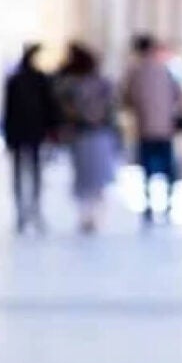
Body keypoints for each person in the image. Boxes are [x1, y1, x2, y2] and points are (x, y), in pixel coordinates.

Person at [122, 34, 182, 224]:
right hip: (165, 128)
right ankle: (167, 204)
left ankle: (150, 205)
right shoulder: (165, 69)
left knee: (148, 168)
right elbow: (179, 96)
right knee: (168, 168)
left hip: (146, 128)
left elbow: (127, 98)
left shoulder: (135, 71)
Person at [56, 43, 118, 234]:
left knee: (88, 178)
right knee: (93, 178)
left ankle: (89, 216)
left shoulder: (75, 84)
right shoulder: (81, 84)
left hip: (89, 134)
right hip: (90, 134)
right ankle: (90, 216)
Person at [2, 43, 58, 234]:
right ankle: (28, 211)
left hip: (26, 133)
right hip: (31, 133)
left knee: (24, 173)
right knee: (31, 173)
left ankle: (27, 211)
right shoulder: (34, 80)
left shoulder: (21, 80)